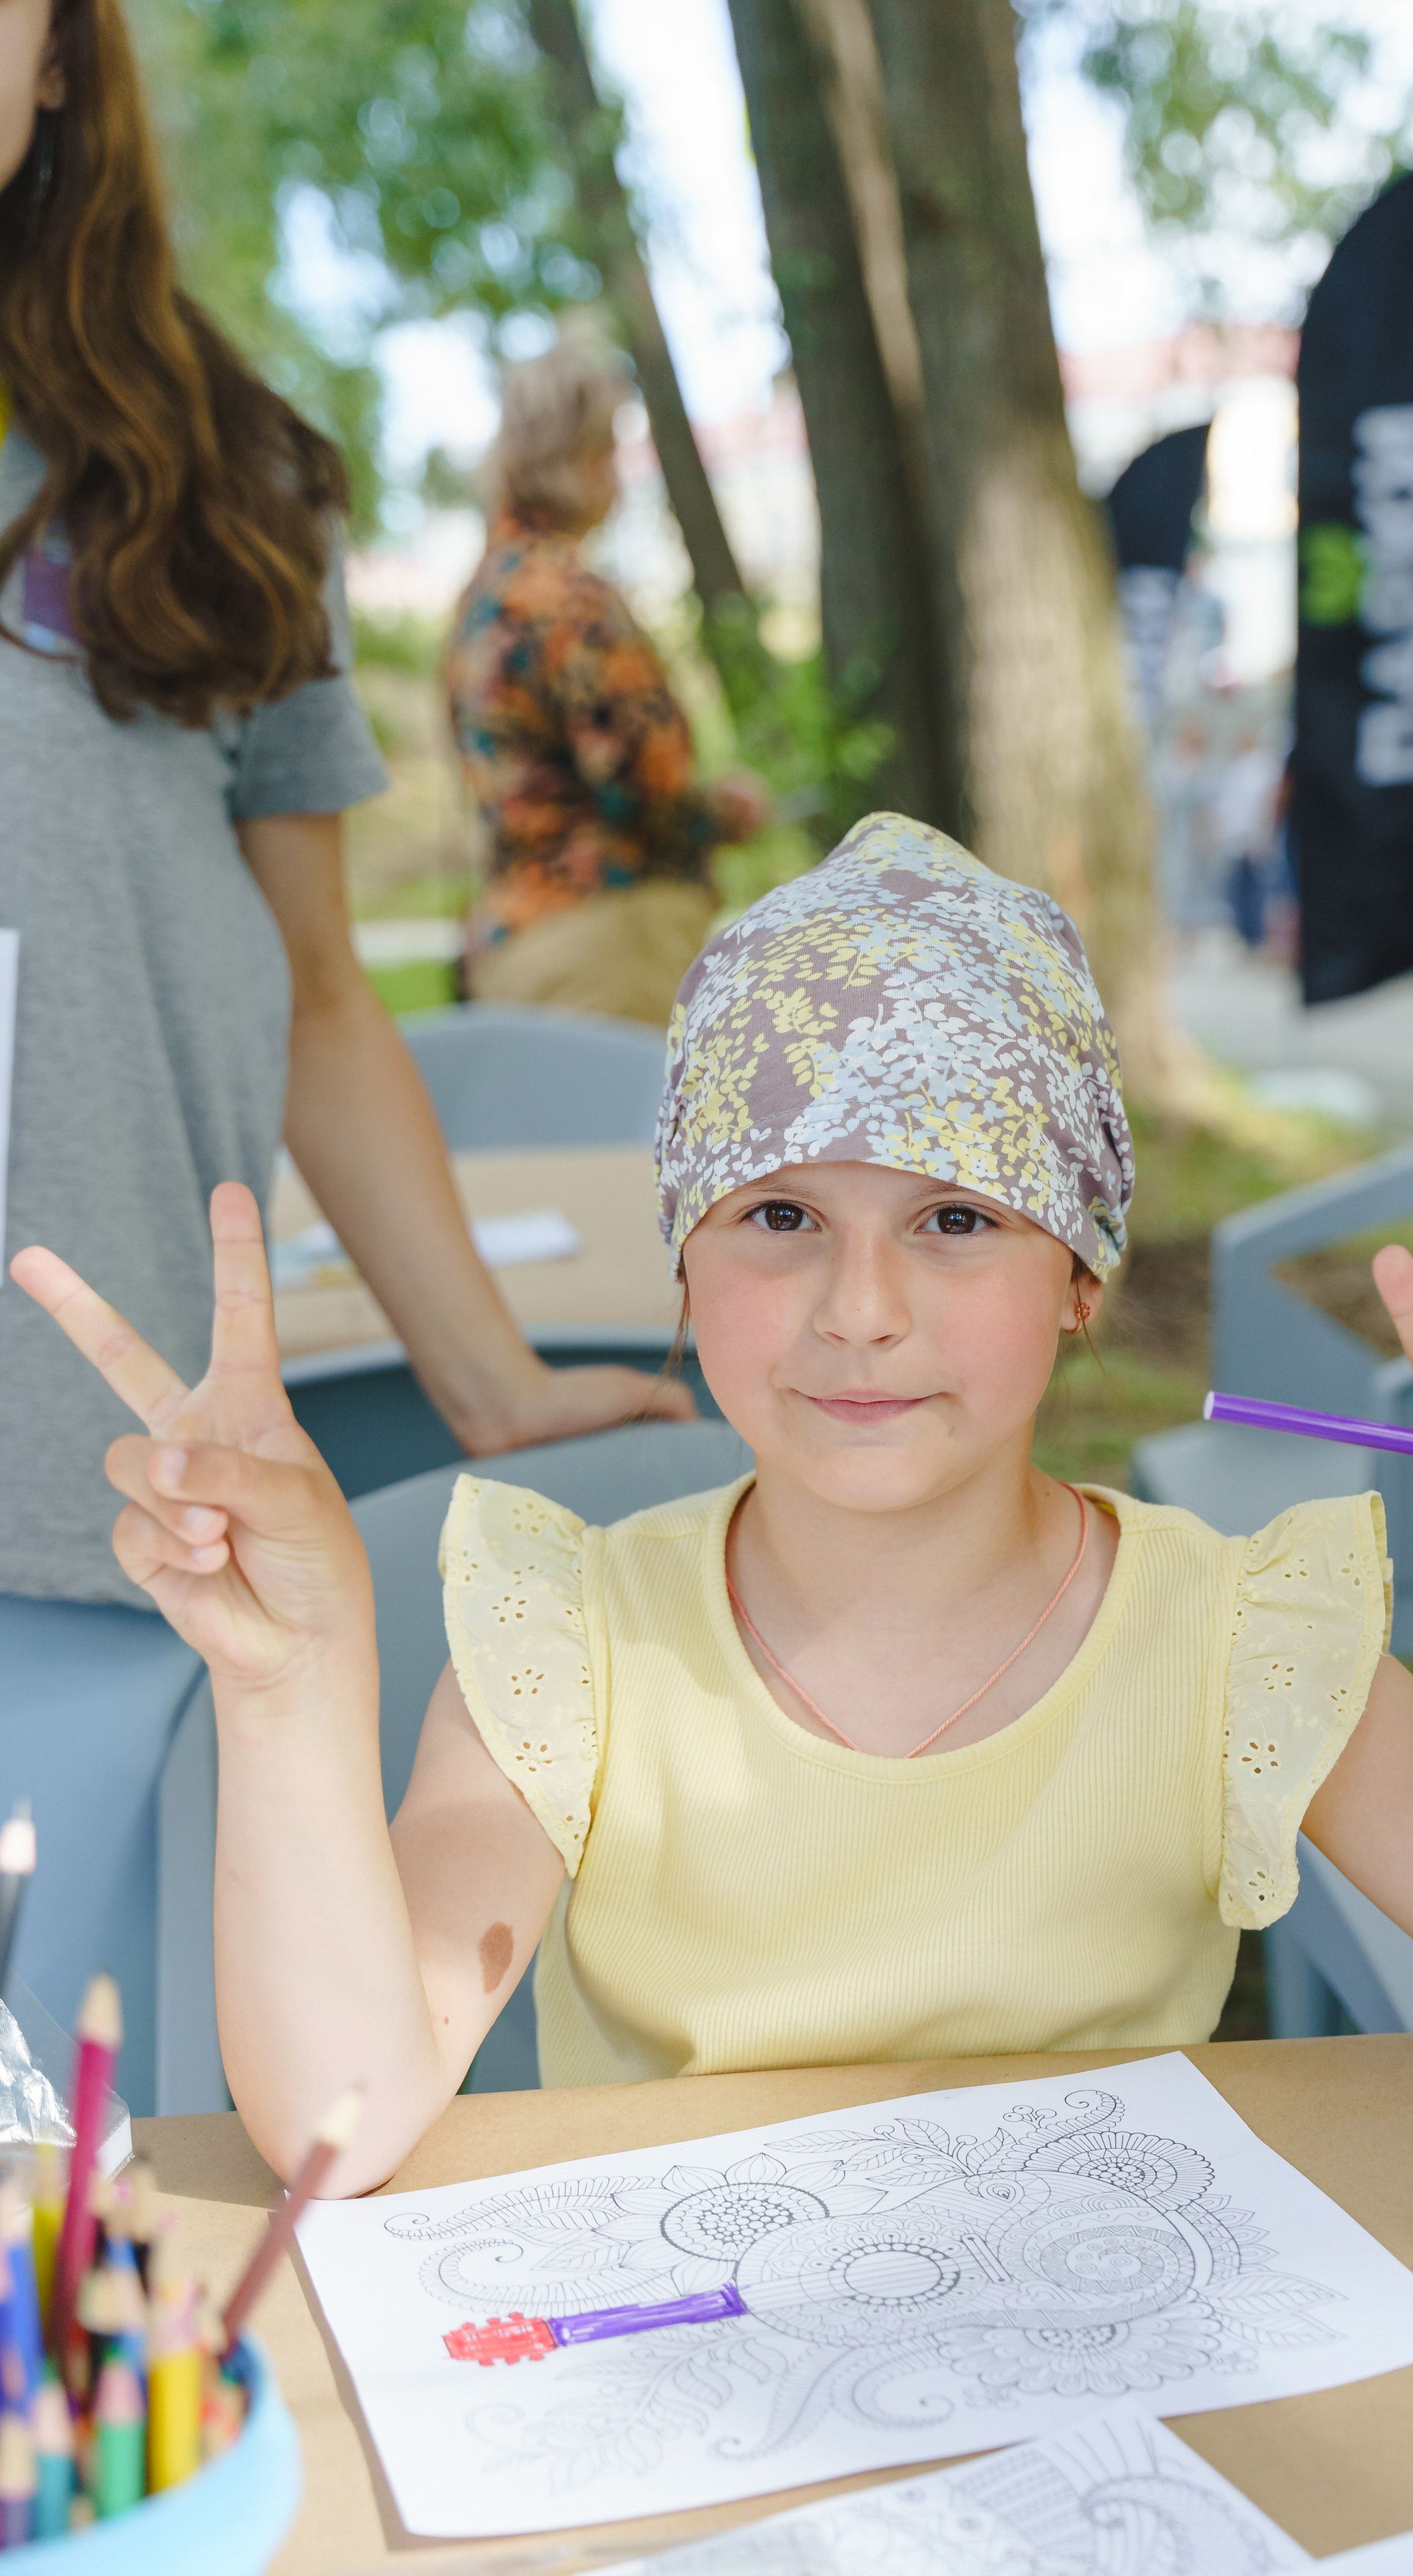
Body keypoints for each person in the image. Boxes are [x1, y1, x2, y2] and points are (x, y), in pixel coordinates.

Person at [17, 815, 1413, 2193]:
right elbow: (343, 2119)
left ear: (1079, 1275)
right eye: (777, 1216)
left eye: (956, 1219)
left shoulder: (1239, 1641)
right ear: (680, 1260)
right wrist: (290, 1679)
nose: (859, 1308)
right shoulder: (570, 1650)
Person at [0, 0, 688, 2077]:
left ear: (58, 61)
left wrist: (491, 1380)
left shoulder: (207, 481)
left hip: (97, 1531)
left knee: (100, 2227)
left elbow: (317, 987)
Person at [447, 333, 771, 1028]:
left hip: (512, 949)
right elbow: (641, 789)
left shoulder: (481, 597)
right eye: (611, 453)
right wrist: (732, 809)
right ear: (584, 459)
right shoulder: (569, 599)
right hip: (604, 948)